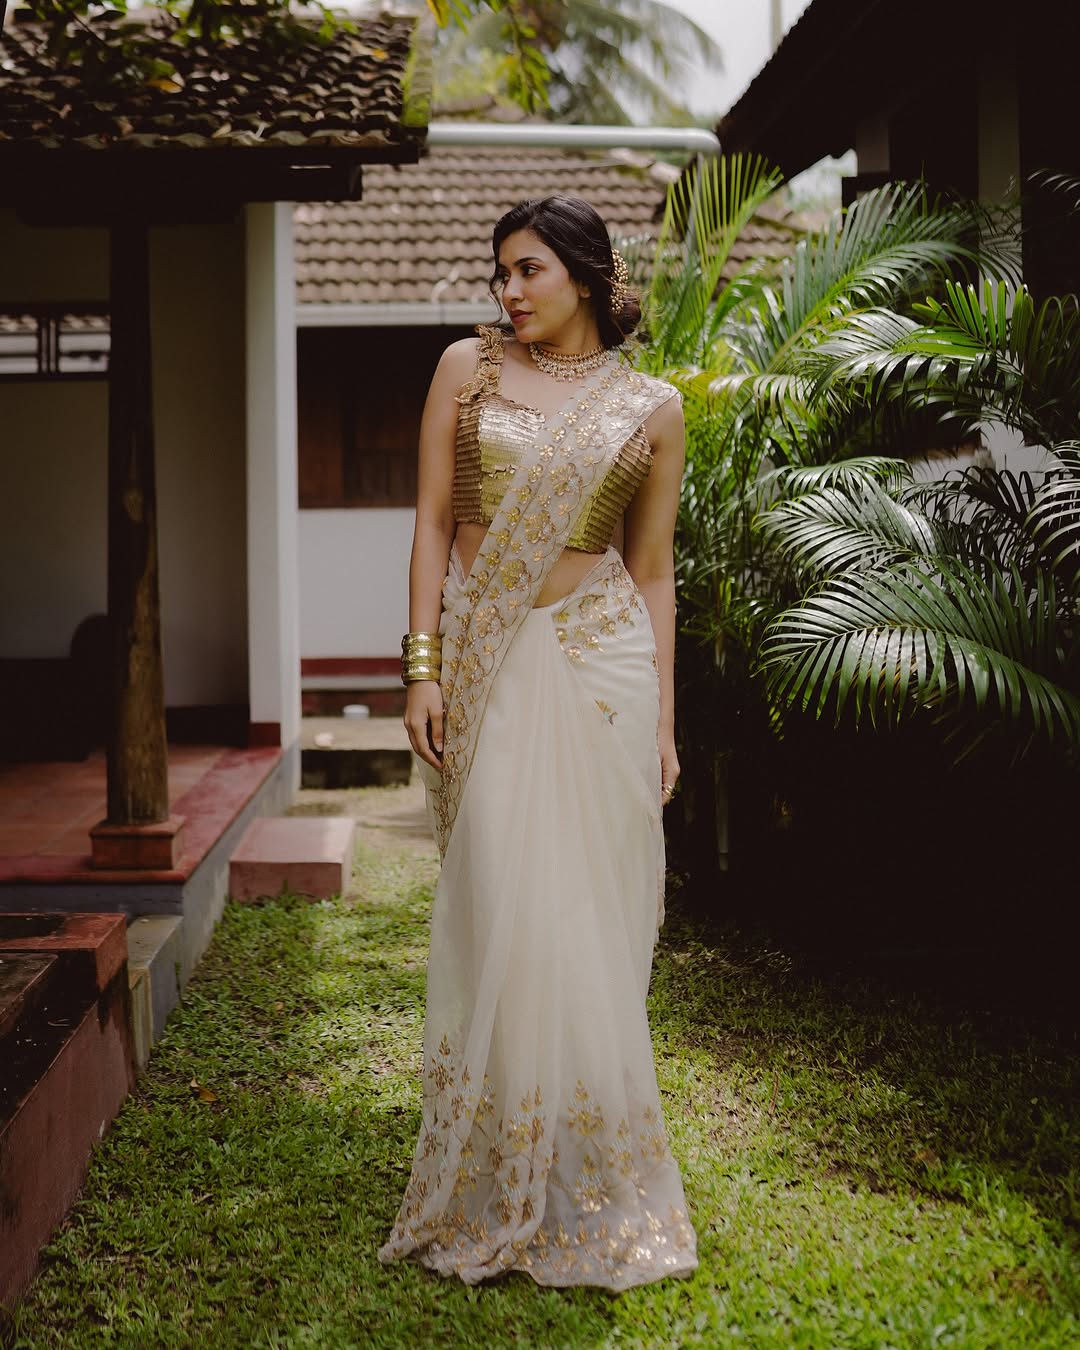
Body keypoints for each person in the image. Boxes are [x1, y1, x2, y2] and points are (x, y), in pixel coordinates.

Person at [378, 196, 698, 1290]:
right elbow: (429, 522)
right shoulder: (463, 370)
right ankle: (500, 1153)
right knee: (501, 889)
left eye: (529, 271)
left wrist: (661, 717)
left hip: (600, 663)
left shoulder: (651, 407)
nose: (508, 293)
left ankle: (582, 1160)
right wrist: (422, 667)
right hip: (488, 658)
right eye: (501, 273)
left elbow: (651, 572)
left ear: (588, 275)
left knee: (585, 907)